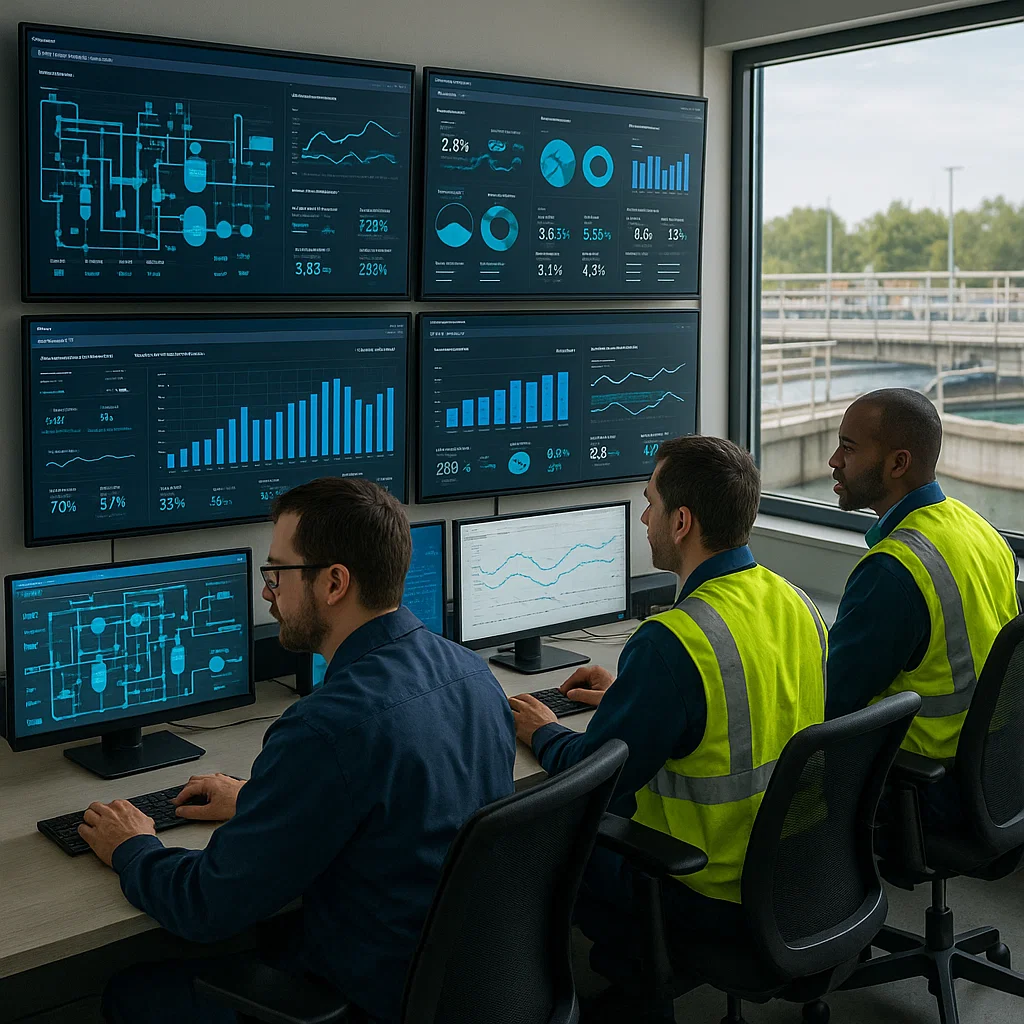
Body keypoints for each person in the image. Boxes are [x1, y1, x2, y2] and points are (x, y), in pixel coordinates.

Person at [84, 477, 517, 1024]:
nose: (268, 592)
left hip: (370, 997)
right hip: (469, 985)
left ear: (334, 582)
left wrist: (133, 847)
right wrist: (258, 801)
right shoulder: (471, 673)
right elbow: (401, 811)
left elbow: (205, 907)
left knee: (131, 991)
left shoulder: (324, 729)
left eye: (277, 573)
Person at [508, 436, 827, 1014]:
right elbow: (748, 701)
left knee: (535, 848)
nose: (643, 515)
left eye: (650, 500)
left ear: (682, 522)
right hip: (796, 867)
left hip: (704, 885)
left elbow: (593, 778)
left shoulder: (674, 641)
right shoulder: (795, 601)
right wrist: (633, 696)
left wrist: (542, 729)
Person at [825, 388, 1019, 823]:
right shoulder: (980, 529)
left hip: (926, 786)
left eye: (848, 448)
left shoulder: (893, 571)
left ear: (898, 463)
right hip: (998, 766)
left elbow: (832, 700)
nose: (835, 460)